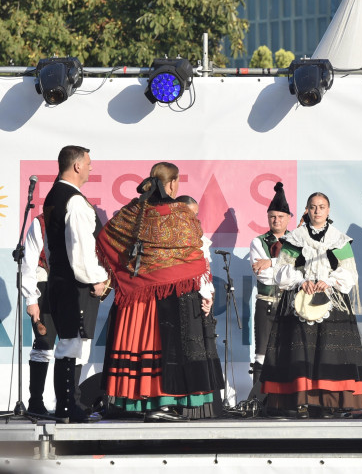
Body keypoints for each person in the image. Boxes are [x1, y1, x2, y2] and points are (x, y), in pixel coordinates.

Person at [97, 162, 223, 421]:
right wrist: (204, 289)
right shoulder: (181, 214)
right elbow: (196, 256)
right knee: (169, 350)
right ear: (173, 183)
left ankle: (144, 403)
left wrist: (131, 274)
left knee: (142, 348)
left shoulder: (132, 211)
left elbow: (105, 239)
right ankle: (164, 404)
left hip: (139, 297)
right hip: (174, 296)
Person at [253, 192, 362, 418]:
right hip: (298, 303)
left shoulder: (339, 239)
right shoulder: (295, 238)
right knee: (301, 353)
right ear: (307, 210)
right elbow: (282, 270)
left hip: (331, 301)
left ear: (328, 210)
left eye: (322, 207)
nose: (317, 211)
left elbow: (350, 273)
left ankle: (330, 402)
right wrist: (301, 280)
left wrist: (330, 281)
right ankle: (300, 402)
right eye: (313, 207)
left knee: (328, 354)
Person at [42, 145, 109, 422]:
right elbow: (80, 251)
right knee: (73, 345)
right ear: (77, 166)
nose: (91, 168)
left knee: (71, 344)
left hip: (59, 281)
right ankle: (69, 407)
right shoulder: (75, 201)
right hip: (75, 286)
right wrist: (97, 279)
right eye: (89, 164)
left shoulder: (53, 197)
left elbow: (52, 246)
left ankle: (70, 406)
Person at [247, 182, 293, 400]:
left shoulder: (297, 241)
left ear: (288, 218)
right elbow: (261, 275)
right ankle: (259, 399)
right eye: (273, 216)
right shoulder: (258, 242)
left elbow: (298, 271)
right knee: (262, 352)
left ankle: (287, 399)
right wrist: (283, 267)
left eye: (281, 216)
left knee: (291, 351)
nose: (276, 220)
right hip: (266, 303)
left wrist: (272, 263)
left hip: (291, 304)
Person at [21, 213, 56, 415]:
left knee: (72, 346)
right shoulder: (41, 222)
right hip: (43, 282)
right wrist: (31, 299)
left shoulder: (79, 216)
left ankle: (68, 403)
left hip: (68, 287)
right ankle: (35, 402)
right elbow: (29, 263)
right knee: (43, 344)